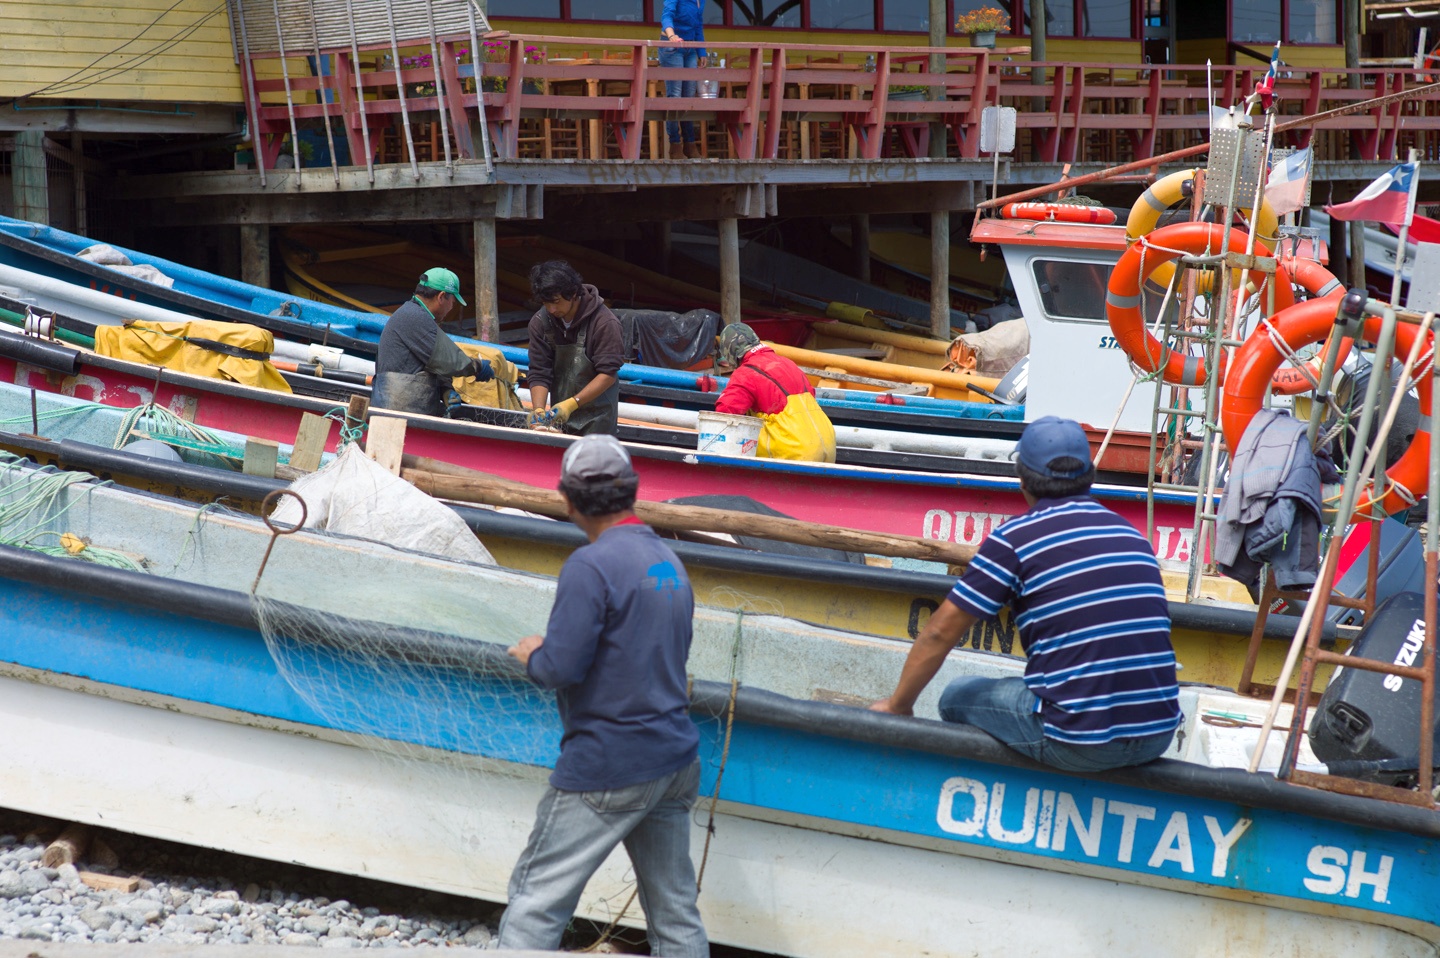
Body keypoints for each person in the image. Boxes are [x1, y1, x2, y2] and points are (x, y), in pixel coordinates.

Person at [870, 416, 1181, 772]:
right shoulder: (1132, 535)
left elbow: (941, 631)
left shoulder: (1014, 540)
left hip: (1077, 742)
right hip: (1158, 734)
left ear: (1023, 482)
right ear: (1090, 476)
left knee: (958, 695)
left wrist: (898, 706)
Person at [499, 435, 708, 958]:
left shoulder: (589, 567)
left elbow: (560, 668)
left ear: (566, 499)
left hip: (609, 763)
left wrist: (531, 654)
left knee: (536, 902)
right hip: (674, 758)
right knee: (675, 915)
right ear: (632, 492)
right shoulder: (667, 562)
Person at [373, 267, 492, 416]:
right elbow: (449, 360)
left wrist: (445, 389)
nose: (451, 308)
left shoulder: (412, 313)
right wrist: (478, 366)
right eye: (453, 302)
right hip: (397, 415)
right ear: (441, 297)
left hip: (397, 410)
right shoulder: (415, 317)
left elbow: (426, 362)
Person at [526, 261, 624, 436]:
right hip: (559, 420)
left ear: (572, 294)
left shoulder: (604, 323)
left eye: (556, 302)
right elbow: (539, 370)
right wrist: (539, 410)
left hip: (598, 420)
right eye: (545, 303)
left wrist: (572, 403)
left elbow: (608, 374)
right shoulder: (540, 322)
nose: (551, 309)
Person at [713, 323, 836, 462]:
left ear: (730, 353)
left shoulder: (746, 372)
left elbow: (725, 413)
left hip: (794, 452)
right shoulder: (788, 363)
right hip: (827, 444)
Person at [660, 0, 706, 159]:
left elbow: (698, 26)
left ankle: (690, 144)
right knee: (675, 96)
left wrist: (702, 51)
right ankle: (675, 145)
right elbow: (667, 15)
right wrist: (672, 35)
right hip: (673, 47)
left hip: (691, 47)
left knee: (688, 98)